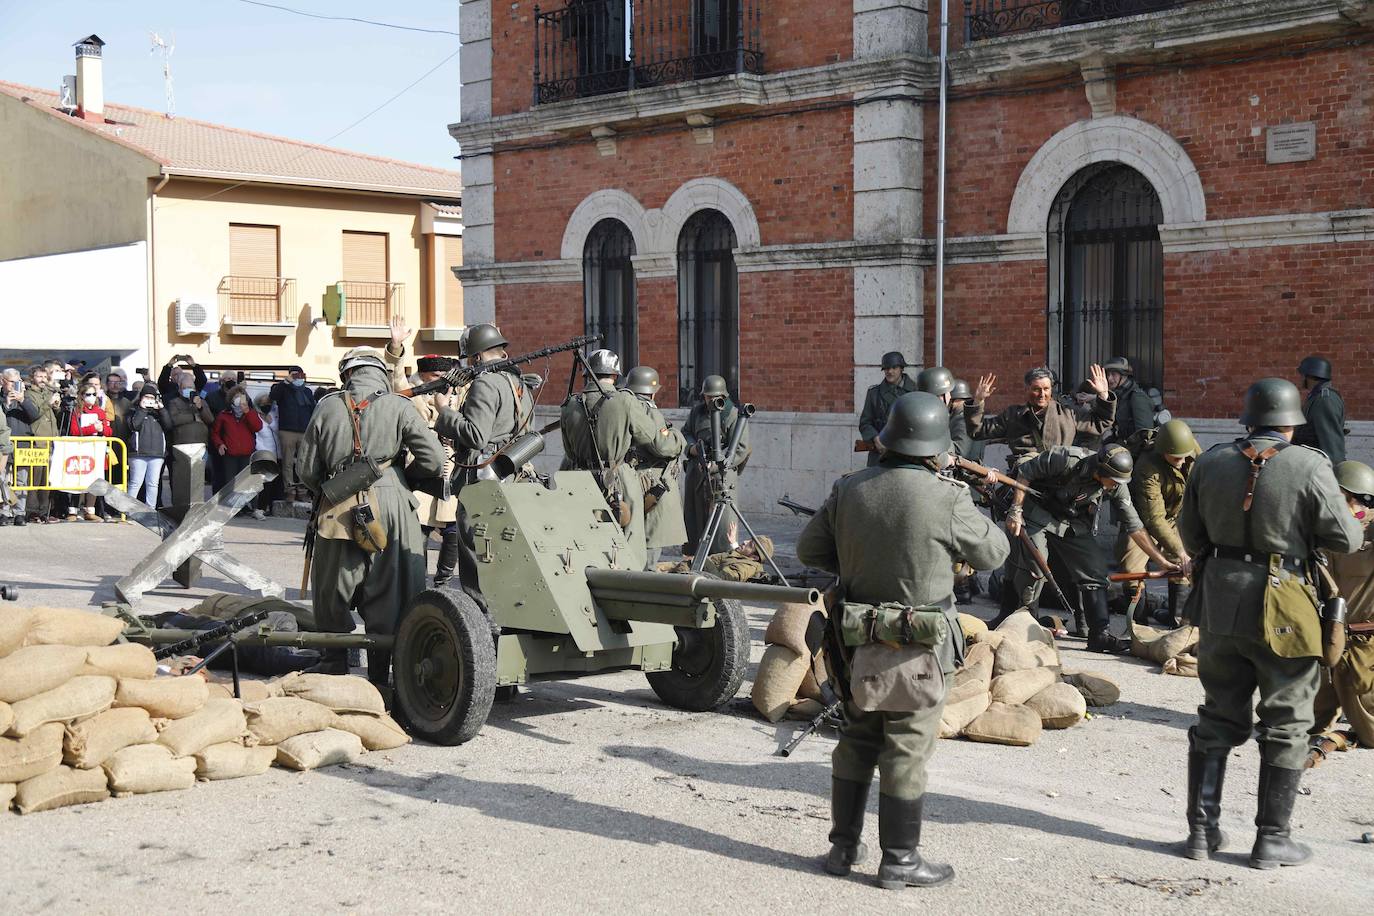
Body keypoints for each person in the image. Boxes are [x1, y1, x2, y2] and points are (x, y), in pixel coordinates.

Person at [798, 392, 1009, 890]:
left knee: (857, 738)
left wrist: (859, 564)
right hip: (921, 644)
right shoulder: (948, 496)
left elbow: (810, 549)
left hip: (853, 640)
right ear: (936, 446)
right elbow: (995, 553)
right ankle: (900, 861)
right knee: (907, 747)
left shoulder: (850, 488)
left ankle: (842, 848)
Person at [1177, 378, 1362, 869]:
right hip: (1286, 608)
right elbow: (1345, 538)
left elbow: (1191, 533)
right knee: (1286, 722)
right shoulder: (1309, 464)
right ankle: (1271, 840)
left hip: (1218, 601)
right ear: (1292, 422)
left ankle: (1201, 833)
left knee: (1217, 713)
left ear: (1248, 417)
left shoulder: (1211, 460)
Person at [297, 347, 444, 684]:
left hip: (338, 502)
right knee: (392, 587)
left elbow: (305, 470)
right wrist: (406, 479)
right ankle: (380, 672)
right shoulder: (399, 406)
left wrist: (332, 485)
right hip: (393, 502)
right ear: (379, 372)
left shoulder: (327, 406)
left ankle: (334, 662)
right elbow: (435, 461)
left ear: (346, 374)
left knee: (332, 587)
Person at [1004, 444, 1180, 651]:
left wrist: (1162, 561)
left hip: (1072, 522)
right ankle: (1026, 626)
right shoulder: (1066, 459)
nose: (1115, 485)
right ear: (1102, 471)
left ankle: (1099, 635)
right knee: (1036, 566)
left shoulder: (1117, 484)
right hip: (1038, 514)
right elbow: (1026, 472)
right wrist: (1015, 510)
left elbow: (1135, 526)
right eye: (1113, 481)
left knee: (1095, 571)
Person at [433, 324, 534, 591]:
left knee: (477, 551)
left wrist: (445, 412)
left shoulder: (485, 384)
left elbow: (476, 436)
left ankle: (481, 620)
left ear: (476, 357)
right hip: (513, 475)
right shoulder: (519, 382)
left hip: (483, 482)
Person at [1309, 460, 1374, 755]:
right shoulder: (1318, 527)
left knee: (1371, 733)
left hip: (1361, 650)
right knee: (1293, 723)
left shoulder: (1370, 529)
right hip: (1321, 644)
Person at [1120, 419, 1199, 628]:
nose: (1182, 461)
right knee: (1131, 567)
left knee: (1182, 564)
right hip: (1141, 520)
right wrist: (1180, 550)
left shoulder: (1191, 449)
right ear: (1163, 451)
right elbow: (1154, 519)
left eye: (1185, 457)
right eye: (1176, 458)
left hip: (1177, 515)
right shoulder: (1147, 467)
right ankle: (1137, 626)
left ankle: (1178, 622)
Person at [965, 365, 1116, 467]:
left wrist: (1103, 395)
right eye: (1036, 389)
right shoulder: (1013, 415)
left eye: (1046, 389)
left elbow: (1101, 423)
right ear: (1027, 389)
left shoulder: (1068, 413)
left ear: (1051, 389)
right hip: (1023, 481)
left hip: (1059, 479)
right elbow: (977, 431)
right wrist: (978, 401)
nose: (1042, 394)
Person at [624, 366, 687, 569]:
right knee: (651, 543)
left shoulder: (625, 406)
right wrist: (678, 437)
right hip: (650, 484)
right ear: (651, 391)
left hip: (633, 480)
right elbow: (663, 446)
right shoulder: (647, 409)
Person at [682, 375, 752, 557]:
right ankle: (694, 559)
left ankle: (723, 559)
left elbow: (740, 448)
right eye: (708, 396)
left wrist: (718, 463)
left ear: (724, 395)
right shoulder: (696, 413)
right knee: (694, 521)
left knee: (723, 524)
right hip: (697, 473)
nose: (711, 400)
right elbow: (686, 432)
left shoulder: (733, 415)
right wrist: (692, 449)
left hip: (721, 476)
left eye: (716, 397)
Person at [165, 368, 215, 507]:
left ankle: (196, 505)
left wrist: (200, 408)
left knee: (198, 478)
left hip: (200, 445)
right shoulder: (174, 402)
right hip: (182, 445)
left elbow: (210, 420)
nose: (189, 390)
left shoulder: (202, 401)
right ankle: (179, 505)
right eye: (186, 387)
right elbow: (174, 420)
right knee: (181, 478)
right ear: (180, 388)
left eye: (191, 387)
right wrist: (193, 416)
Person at [858, 352, 917, 467]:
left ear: (901, 368)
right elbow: (865, 423)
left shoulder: (915, 391)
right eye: (886, 368)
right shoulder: (874, 393)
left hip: (907, 455)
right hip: (879, 455)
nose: (889, 372)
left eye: (894, 368)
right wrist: (876, 438)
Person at [270, 366, 318, 502]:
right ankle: (290, 491)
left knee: (303, 463)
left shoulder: (307, 391)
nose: (297, 378)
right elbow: (273, 397)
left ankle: (302, 491)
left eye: (299, 375)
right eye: (294, 375)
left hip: (304, 431)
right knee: (288, 463)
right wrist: (285, 382)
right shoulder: (283, 390)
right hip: (287, 431)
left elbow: (313, 410)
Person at [68, 382, 112, 521]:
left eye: (94, 394)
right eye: (88, 394)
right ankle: (73, 511)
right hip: (80, 448)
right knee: (78, 479)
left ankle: (90, 510)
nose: (92, 397)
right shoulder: (76, 411)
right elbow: (74, 430)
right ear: (81, 395)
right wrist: (93, 428)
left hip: (95, 449)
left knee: (94, 479)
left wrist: (102, 429)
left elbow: (109, 430)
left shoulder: (99, 411)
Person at [210, 389, 263, 502]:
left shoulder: (251, 413)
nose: (239, 399)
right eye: (236, 397)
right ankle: (230, 505)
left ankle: (244, 506)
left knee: (244, 481)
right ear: (231, 399)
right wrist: (220, 444)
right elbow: (215, 433)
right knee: (230, 481)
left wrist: (247, 412)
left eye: (241, 397)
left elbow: (257, 427)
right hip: (230, 453)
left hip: (246, 453)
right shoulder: (224, 415)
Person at [1292, 355, 1345, 465]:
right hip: (1310, 460)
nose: (1300, 378)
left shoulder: (1325, 399)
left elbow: (1330, 440)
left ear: (1310, 376)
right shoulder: (1316, 396)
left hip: (1318, 464)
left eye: (1302, 375)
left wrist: (1332, 472)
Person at [23, 365, 59, 522]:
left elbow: (51, 414)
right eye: (39, 377)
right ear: (32, 378)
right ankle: (32, 511)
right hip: (37, 441)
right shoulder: (28, 394)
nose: (43, 380)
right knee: (35, 479)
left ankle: (45, 510)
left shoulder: (49, 392)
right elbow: (35, 413)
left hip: (51, 441)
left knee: (47, 479)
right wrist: (49, 403)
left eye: (45, 377)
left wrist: (56, 406)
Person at [126, 383, 171, 509]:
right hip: (138, 453)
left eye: (152, 398)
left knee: (153, 483)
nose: (149, 401)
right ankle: (129, 510)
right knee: (135, 482)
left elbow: (168, 426)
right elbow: (134, 425)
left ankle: (150, 509)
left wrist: (161, 409)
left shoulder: (159, 413)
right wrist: (142, 409)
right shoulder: (133, 410)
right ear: (140, 398)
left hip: (157, 454)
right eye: (146, 397)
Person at [2, 369, 36, 526]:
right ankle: (4, 511)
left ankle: (19, 513)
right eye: (11, 382)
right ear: (3, 382)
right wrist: (7, 403)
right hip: (4, 445)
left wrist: (22, 400)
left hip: (23, 444)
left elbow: (35, 415)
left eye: (18, 381)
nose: (15, 385)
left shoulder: (25, 397)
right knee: (4, 480)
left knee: (22, 481)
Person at [915, 366, 971, 459]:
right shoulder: (930, 418)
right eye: (948, 392)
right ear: (942, 396)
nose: (950, 396)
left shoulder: (924, 414)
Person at [1102, 356, 1155, 444]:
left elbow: (1145, 435)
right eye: (1108, 374)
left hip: (1134, 451)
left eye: (1113, 374)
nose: (1109, 378)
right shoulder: (1119, 395)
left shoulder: (1137, 397)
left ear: (1123, 375)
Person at [251, 393, 280, 520]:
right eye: (263, 404)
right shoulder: (256, 417)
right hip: (263, 453)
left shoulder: (273, 415)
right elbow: (256, 435)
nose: (266, 406)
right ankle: (260, 508)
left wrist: (271, 422)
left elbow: (279, 431)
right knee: (265, 483)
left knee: (275, 484)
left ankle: (270, 507)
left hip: (277, 454)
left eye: (268, 403)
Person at [948, 379, 986, 463]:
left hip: (964, 471)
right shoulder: (971, 415)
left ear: (954, 400)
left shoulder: (962, 418)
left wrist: (940, 439)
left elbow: (961, 451)